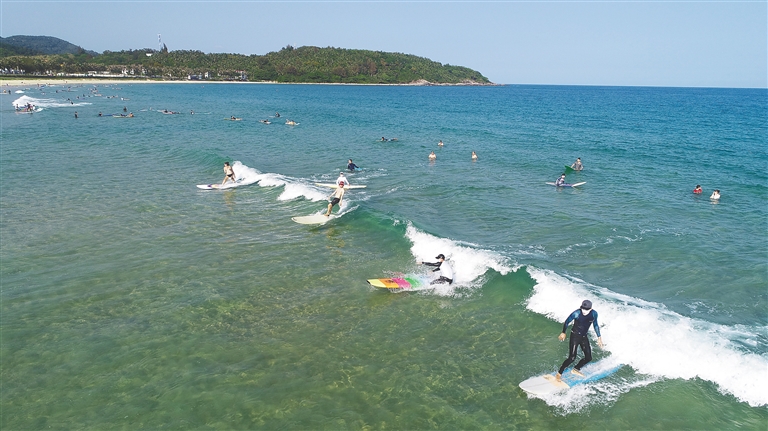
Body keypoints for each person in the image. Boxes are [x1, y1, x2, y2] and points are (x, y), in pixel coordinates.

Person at [556, 300, 603, 381]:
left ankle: (576, 369)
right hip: (575, 336)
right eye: (583, 309)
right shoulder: (576, 313)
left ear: (591, 309)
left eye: (586, 309)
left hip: (584, 336)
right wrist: (563, 332)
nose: (584, 311)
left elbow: (595, 325)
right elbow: (567, 322)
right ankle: (559, 373)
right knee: (572, 358)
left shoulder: (594, 314)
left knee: (588, 358)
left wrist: (599, 337)